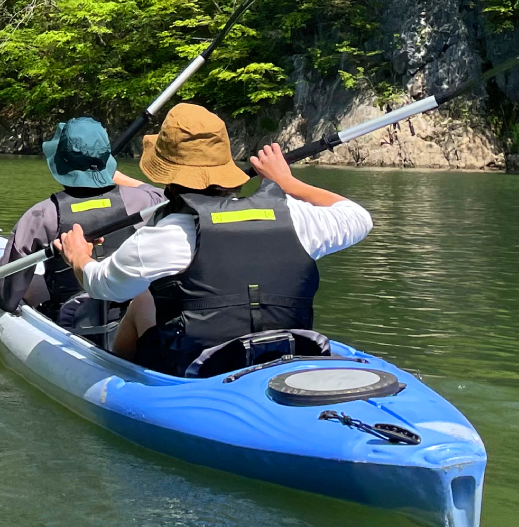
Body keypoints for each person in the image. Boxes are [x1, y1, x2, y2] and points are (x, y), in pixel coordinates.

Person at [54, 103, 372, 375]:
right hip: (285, 354)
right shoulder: (297, 217)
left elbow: (101, 285)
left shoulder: (165, 235)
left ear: (166, 175)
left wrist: (79, 256)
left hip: (198, 369)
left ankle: (123, 378)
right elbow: (358, 217)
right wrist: (287, 183)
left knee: (143, 298)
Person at [0, 117, 165, 342]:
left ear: (60, 163)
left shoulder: (42, 215)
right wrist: (111, 174)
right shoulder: (145, 202)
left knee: (33, 283)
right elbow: (163, 194)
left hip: (72, 320)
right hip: (128, 316)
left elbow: (6, 298)